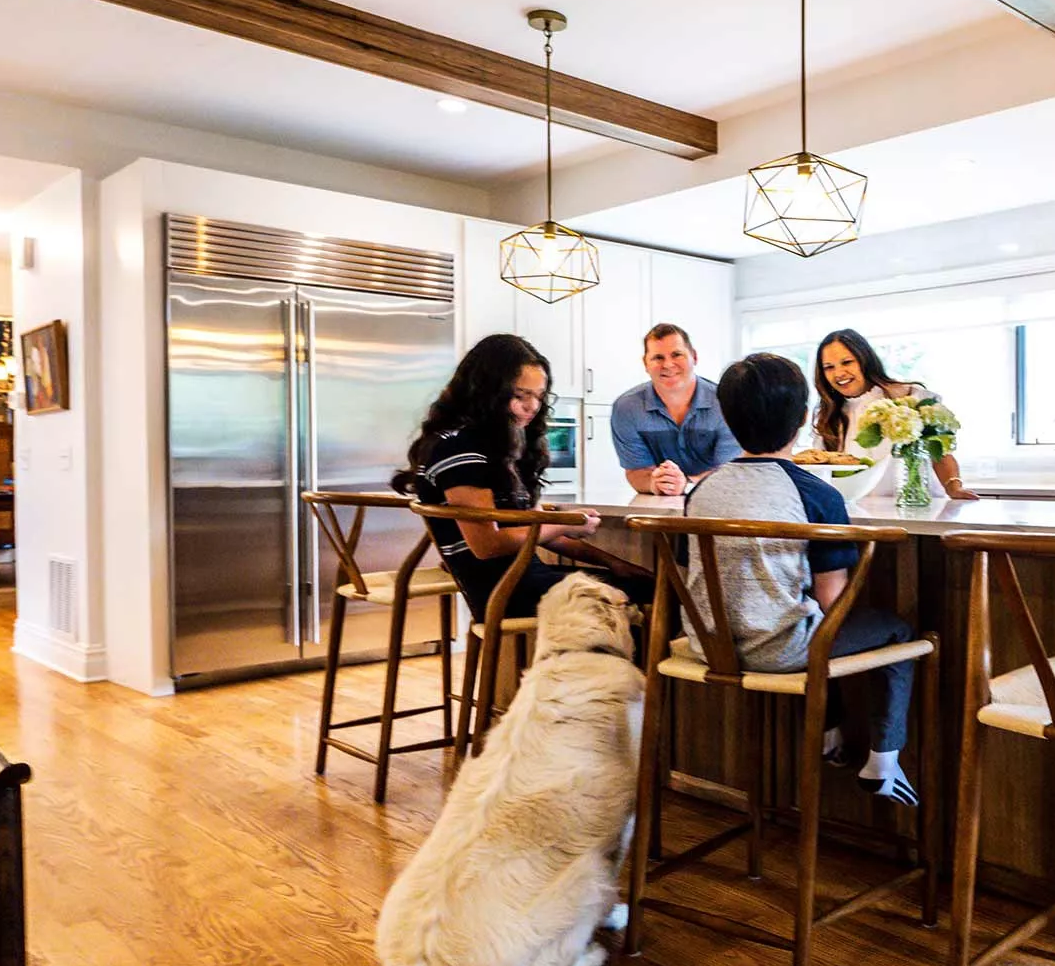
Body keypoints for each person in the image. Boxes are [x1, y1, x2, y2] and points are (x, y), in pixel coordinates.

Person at [682, 352, 921, 806]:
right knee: (893, 631)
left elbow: (691, 574)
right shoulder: (816, 493)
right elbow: (833, 607)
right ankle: (884, 761)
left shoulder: (702, 490)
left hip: (707, 645)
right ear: (801, 421)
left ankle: (829, 733)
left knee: (807, 617)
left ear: (729, 421)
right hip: (781, 652)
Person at [394, 333, 651, 621]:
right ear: (486, 392)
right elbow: (487, 545)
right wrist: (559, 523)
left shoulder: (496, 449)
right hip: (506, 593)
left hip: (525, 581)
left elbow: (539, 533)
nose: (533, 406)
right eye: (520, 395)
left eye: (540, 396)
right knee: (654, 594)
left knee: (643, 583)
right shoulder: (458, 448)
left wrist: (613, 563)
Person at [812, 328, 979, 500]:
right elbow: (819, 471)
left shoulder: (909, 396)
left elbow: (940, 452)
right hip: (857, 513)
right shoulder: (828, 415)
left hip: (917, 506)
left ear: (865, 360)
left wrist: (953, 487)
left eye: (847, 362)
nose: (839, 373)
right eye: (829, 367)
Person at [609, 323, 742, 496]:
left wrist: (686, 485)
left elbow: (730, 470)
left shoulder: (725, 402)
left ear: (694, 357)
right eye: (658, 357)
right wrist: (654, 483)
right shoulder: (626, 408)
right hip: (659, 504)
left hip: (716, 498)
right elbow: (636, 470)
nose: (668, 364)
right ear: (645, 364)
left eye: (677, 354)